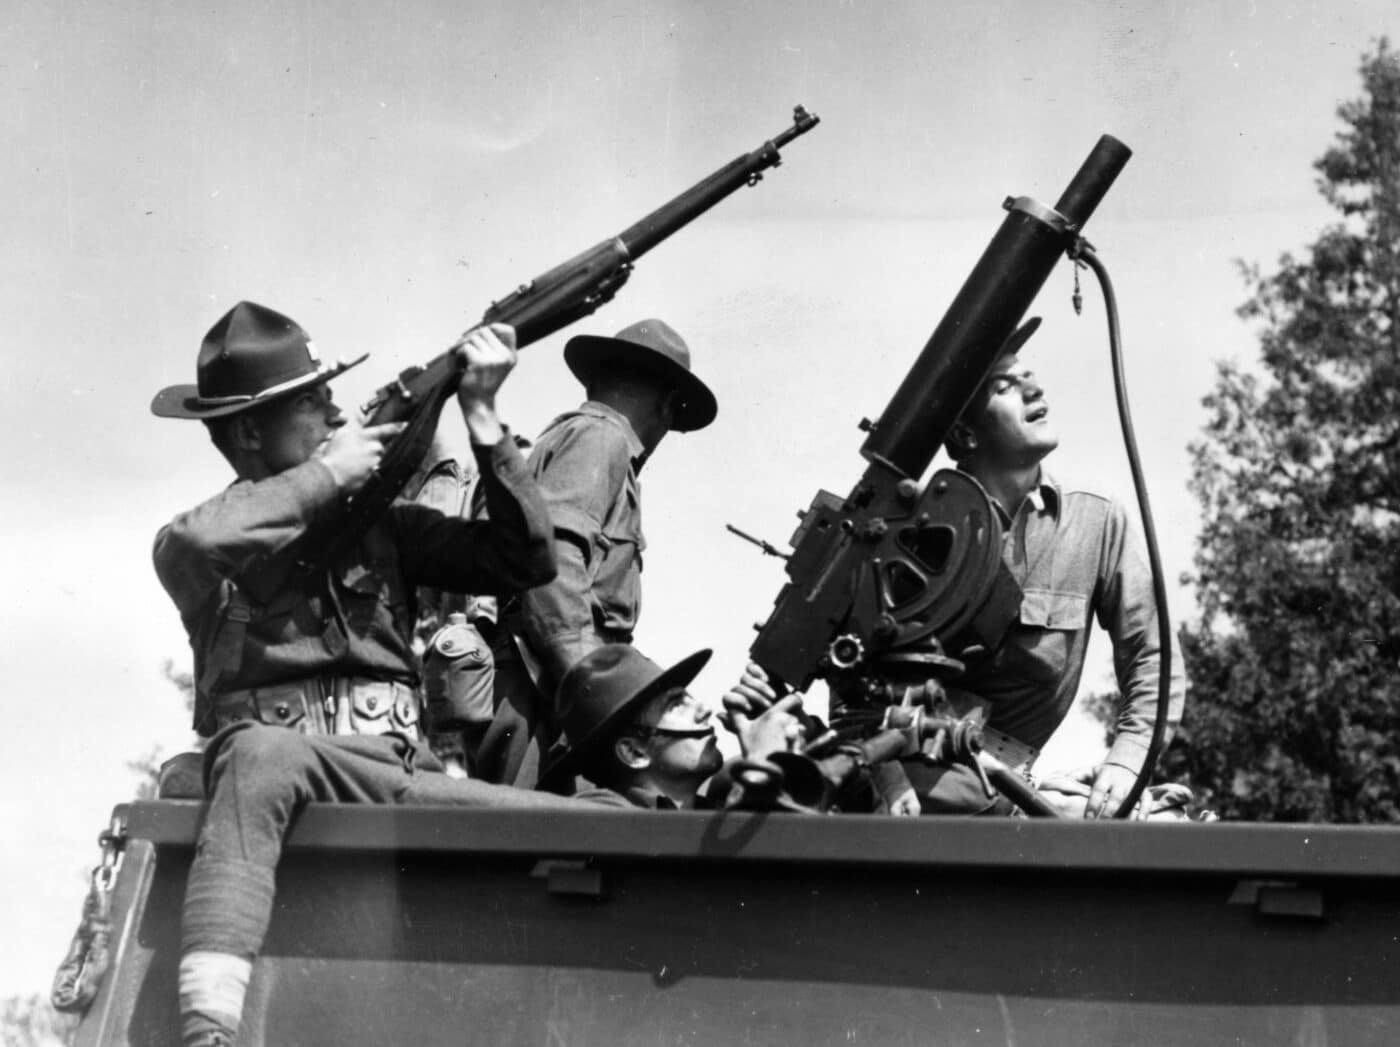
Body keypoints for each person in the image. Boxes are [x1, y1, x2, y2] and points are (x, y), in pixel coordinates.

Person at [149, 300, 571, 1047]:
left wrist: (482, 416)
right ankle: (209, 1031)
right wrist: (323, 476)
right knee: (257, 752)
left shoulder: (389, 529)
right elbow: (196, 539)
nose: (337, 410)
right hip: (272, 776)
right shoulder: (202, 543)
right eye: (312, 402)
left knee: (598, 826)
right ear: (250, 430)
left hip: (389, 770)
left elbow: (527, 560)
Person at [916, 316, 1187, 818]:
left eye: (1028, 376)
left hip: (1008, 786)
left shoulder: (1094, 520)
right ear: (964, 433)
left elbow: (1153, 657)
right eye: (1005, 386)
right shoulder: (917, 534)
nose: (1033, 388)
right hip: (924, 780)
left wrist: (1126, 765)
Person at [476, 318, 718, 787]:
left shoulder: (580, 441)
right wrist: (593, 691)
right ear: (666, 406)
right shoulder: (600, 438)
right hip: (542, 693)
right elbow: (553, 568)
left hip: (548, 689)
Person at [539, 644, 805, 810]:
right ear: (634, 752)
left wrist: (793, 726)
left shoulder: (704, 805)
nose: (705, 709)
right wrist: (761, 763)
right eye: (676, 705)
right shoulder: (607, 816)